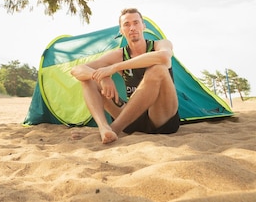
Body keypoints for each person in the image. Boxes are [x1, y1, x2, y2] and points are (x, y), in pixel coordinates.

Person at [70, 8, 180, 144]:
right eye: (126, 24)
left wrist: (114, 68)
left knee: (158, 69)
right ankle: (104, 128)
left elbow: (164, 57)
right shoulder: (119, 54)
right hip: (133, 118)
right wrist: (100, 76)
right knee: (86, 79)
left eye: (136, 23)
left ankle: (114, 129)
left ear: (143, 26)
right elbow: (76, 70)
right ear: (121, 30)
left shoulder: (160, 44)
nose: (132, 28)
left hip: (162, 118)